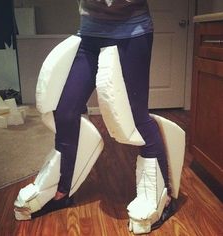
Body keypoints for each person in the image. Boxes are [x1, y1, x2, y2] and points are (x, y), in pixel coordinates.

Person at [31, 0, 175, 231]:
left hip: (132, 32)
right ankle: (62, 190)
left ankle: (163, 197)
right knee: (65, 111)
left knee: (136, 118)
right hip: (89, 34)